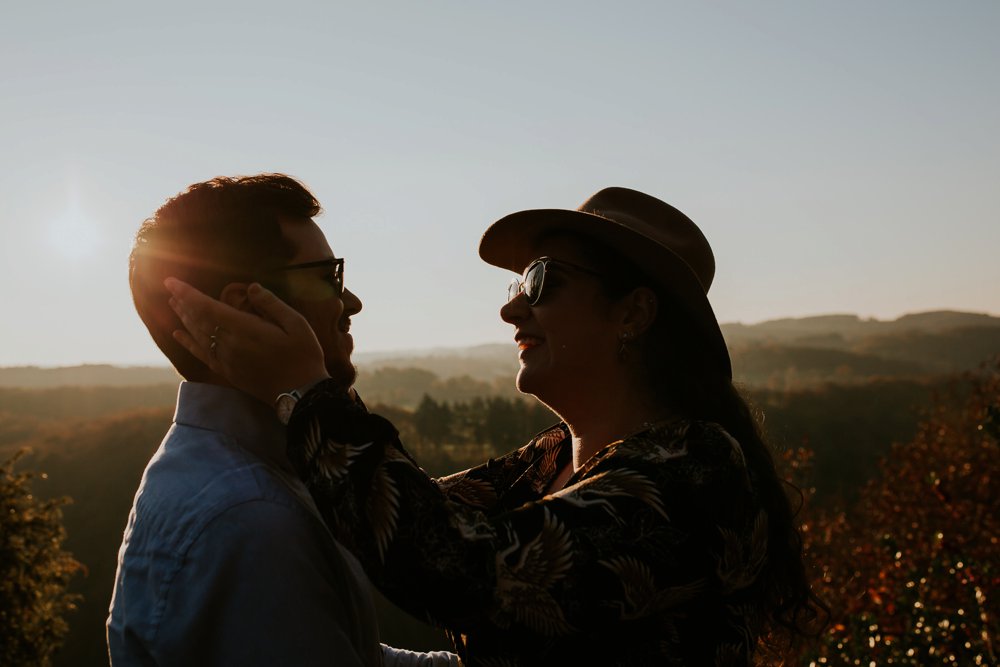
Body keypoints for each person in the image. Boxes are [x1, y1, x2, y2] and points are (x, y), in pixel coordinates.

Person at [165, 187, 826, 666]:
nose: (513, 308)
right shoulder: (546, 464)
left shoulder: (698, 472)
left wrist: (304, 389)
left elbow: (454, 564)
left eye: (541, 280)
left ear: (634, 312)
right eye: (516, 283)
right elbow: (403, 512)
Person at [110, 173, 458, 666]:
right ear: (244, 310)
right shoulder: (252, 520)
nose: (352, 302)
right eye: (327, 276)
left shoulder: (234, 472)